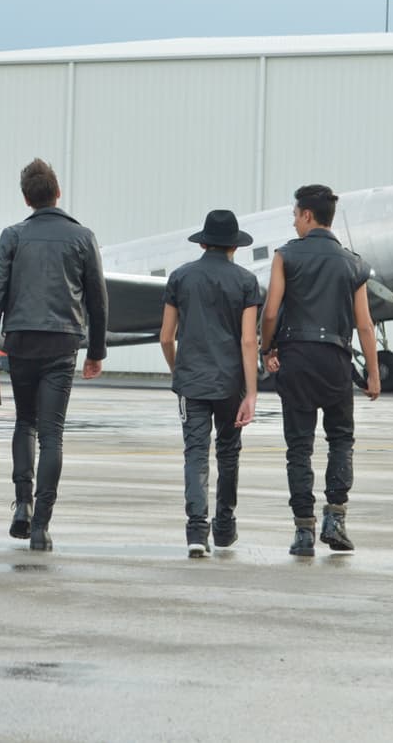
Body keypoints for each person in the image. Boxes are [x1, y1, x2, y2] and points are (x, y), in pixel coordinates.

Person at [0, 158, 108, 552]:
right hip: (62, 341)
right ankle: (41, 526)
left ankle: (22, 502)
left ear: (26, 198)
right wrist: (96, 351)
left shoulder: (12, 236)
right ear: (58, 193)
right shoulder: (82, 236)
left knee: (25, 423)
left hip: (20, 341)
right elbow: (98, 300)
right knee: (52, 433)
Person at [260, 184, 380, 557]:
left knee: (299, 447)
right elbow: (364, 325)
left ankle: (302, 532)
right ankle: (336, 519)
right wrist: (373, 373)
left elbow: (269, 311)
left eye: (295, 215)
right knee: (340, 440)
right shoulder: (353, 263)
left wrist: (268, 349)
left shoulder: (285, 256)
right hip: (336, 361)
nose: (294, 222)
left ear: (308, 215)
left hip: (295, 358)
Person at [159, 209, 263, 558]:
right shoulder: (247, 282)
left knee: (195, 453)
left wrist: (179, 370)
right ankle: (224, 526)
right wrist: (251, 391)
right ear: (234, 246)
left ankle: (195, 531)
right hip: (231, 382)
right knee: (229, 453)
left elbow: (165, 337)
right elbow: (250, 341)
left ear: (203, 242)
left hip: (192, 381)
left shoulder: (180, 278)